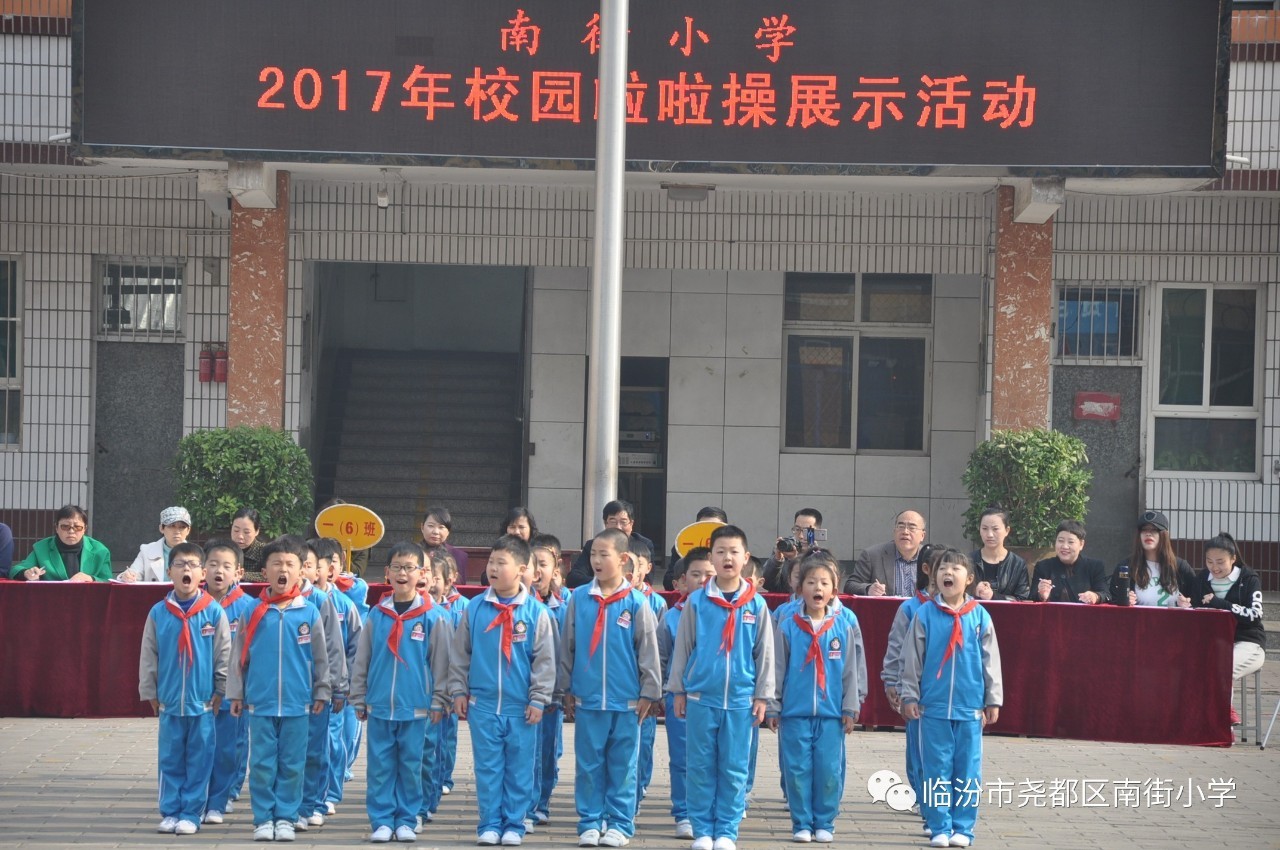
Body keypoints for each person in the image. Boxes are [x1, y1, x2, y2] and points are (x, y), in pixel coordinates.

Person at [666, 525, 775, 850]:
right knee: (699, 766)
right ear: (712, 557)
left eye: (734, 552)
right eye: (720, 551)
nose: (727, 557)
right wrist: (679, 691)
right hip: (701, 697)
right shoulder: (697, 602)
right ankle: (702, 829)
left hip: (741, 702)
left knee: (733, 767)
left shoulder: (755, 605)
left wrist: (762, 695)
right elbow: (683, 648)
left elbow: (765, 653)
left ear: (745, 558)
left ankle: (726, 830)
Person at [446, 535, 555, 847]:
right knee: (488, 769)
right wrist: (458, 691)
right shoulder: (476, 608)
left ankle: (514, 824)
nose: (493, 568)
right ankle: (489, 824)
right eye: (491, 562)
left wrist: (538, 698)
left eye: (500, 563)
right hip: (483, 705)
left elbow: (544, 661)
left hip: (521, 708)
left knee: (520, 770)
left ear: (521, 569)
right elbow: (460, 654)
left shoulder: (536, 612)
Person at [557, 529, 661, 847]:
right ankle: (590, 820)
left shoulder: (636, 602)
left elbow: (648, 650)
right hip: (588, 698)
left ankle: (619, 822)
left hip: (627, 700)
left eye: (605, 554)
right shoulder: (579, 599)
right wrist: (566, 689)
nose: (598, 561)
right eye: (593, 555)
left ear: (623, 559)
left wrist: (650, 692)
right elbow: (568, 646)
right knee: (588, 763)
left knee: (623, 764)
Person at [226, 536, 332, 843]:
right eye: (276, 564)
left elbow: (321, 658)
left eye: (290, 564)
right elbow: (238, 657)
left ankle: (286, 817)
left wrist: (322, 691)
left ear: (301, 572)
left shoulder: (309, 612)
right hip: (260, 703)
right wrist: (236, 692)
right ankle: (263, 819)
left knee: (293, 764)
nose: (283, 569)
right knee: (261, 764)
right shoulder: (253, 611)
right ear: (265, 571)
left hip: (299, 705)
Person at [349, 542, 452, 844]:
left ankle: (408, 817)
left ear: (422, 574)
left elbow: (441, 664)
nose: (403, 573)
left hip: (417, 707)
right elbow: (362, 659)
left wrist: (439, 700)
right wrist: (359, 696)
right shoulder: (376, 615)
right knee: (380, 767)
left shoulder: (433, 617)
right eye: (397, 567)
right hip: (380, 705)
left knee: (411, 765)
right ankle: (381, 819)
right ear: (387, 574)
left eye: (409, 568)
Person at [900, 551, 1003, 849]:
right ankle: (939, 826)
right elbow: (912, 660)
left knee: (968, 769)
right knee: (936, 769)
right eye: (943, 568)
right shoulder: (924, 614)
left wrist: (992, 699)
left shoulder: (980, 615)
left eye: (956, 568)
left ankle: (963, 827)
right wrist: (910, 695)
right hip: (931, 709)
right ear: (935, 577)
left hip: (970, 709)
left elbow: (990, 661)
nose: (949, 572)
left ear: (968, 579)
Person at [767, 554, 866, 845]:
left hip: (832, 713)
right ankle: (801, 822)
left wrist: (851, 706)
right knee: (796, 770)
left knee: (828, 769)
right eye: (810, 582)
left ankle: (824, 821)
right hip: (794, 713)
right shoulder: (787, 625)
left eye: (824, 582)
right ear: (800, 589)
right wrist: (774, 705)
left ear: (834, 590)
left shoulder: (842, 626)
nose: (817, 587)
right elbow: (777, 668)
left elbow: (851, 671)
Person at [138, 541, 231, 836]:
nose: (186, 570)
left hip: (203, 703)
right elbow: (148, 654)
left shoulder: (213, 612)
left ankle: (191, 812)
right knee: (170, 759)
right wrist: (149, 692)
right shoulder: (158, 612)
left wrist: (221, 689)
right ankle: (170, 810)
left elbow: (223, 654)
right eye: (180, 565)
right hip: (168, 702)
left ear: (202, 572)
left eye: (192, 565)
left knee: (200, 759)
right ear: (170, 571)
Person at [879, 547, 937, 836]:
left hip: (950, 697)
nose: (948, 574)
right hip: (917, 692)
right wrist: (892, 681)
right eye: (941, 567)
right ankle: (926, 802)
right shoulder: (911, 608)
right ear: (927, 570)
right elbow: (896, 647)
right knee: (918, 751)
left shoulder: (969, 611)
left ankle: (939, 808)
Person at [659, 547, 713, 840]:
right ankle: (684, 813)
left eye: (710, 574)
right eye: (696, 574)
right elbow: (662, 658)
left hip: (715, 698)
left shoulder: (727, 611)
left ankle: (709, 811)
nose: (703, 580)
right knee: (681, 758)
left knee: (712, 758)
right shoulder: (670, 617)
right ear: (681, 581)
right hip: (680, 698)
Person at [296, 540, 350, 831]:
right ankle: (290, 806)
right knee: (288, 753)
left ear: (318, 570)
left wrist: (338, 686)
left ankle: (315, 802)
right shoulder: (269, 603)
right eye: (294, 564)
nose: (300, 570)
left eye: (306, 565)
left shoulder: (321, 600)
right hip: (286, 694)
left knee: (318, 750)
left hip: (318, 691)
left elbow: (335, 647)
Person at [309, 537, 364, 819]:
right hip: (306, 688)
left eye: (314, 565)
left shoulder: (343, 604)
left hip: (336, 687)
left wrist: (351, 682)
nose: (310, 571)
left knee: (333, 741)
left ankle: (330, 793)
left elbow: (356, 645)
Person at [203, 539, 256, 826]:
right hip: (200, 690)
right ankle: (201, 796)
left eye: (226, 566)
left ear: (239, 572)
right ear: (202, 570)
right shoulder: (193, 604)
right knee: (201, 745)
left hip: (233, 690)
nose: (218, 572)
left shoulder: (247, 607)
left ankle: (226, 794)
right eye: (212, 565)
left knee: (231, 746)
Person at [1192, 532, 1265, 726]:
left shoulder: (1248, 579)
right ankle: (1212, 719)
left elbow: (1255, 615)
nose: (1214, 567)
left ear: (1233, 559)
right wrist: (1185, 604)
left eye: (1220, 562)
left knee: (1223, 667)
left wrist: (1220, 603)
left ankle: (1223, 723)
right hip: (1214, 643)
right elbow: (1193, 609)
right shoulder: (1202, 579)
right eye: (1209, 561)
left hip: (1248, 643)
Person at [627, 537, 668, 813]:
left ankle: (640, 786)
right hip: (620, 686)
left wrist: (656, 688)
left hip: (645, 686)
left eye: (637, 564)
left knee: (645, 740)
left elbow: (659, 651)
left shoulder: (656, 604)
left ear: (646, 568)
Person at [529, 533, 567, 826]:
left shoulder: (563, 607)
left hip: (551, 695)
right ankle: (524, 805)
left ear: (556, 571)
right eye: (533, 564)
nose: (537, 570)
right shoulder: (518, 607)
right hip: (519, 694)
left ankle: (542, 800)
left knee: (546, 751)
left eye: (543, 564)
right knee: (523, 752)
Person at [1109, 511, 1195, 608]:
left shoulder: (1181, 566)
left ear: (1164, 535)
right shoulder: (1126, 566)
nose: (1148, 534)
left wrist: (1187, 603)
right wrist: (1124, 600)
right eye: (1144, 530)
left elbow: (1196, 598)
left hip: (1174, 622)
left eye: (1154, 530)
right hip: (1139, 622)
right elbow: (1112, 599)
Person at [10, 504, 111, 582]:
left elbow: (108, 581)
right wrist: (26, 572)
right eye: (65, 526)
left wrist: (91, 578)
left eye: (77, 527)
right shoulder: (42, 548)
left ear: (85, 528)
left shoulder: (100, 551)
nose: (71, 531)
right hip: (51, 600)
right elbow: (16, 569)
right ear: (56, 528)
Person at [566, 500, 655, 588]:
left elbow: (646, 580)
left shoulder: (643, 545)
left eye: (623, 522)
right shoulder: (593, 545)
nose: (618, 527)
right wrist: (606, 583)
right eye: (613, 521)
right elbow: (573, 578)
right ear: (605, 524)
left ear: (631, 524)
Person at [844, 510, 927, 597]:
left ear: (922, 535)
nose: (905, 532)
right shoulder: (872, 555)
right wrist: (868, 589)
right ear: (894, 531)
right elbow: (850, 586)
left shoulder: (931, 558)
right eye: (901, 526)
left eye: (912, 528)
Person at [1032, 520, 1110, 604]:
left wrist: (1095, 596)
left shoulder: (1094, 567)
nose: (1065, 546)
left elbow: (1106, 594)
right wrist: (1041, 595)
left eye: (1071, 542)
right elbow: (1031, 597)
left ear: (1081, 544)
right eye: (1060, 541)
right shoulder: (1043, 566)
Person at [967, 507, 1030, 602]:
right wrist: (974, 592)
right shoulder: (968, 561)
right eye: (984, 528)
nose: (989, 534)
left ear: (1007, 530)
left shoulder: (1017, 564)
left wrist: (993, 596)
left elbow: (1023, 599)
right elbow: (956, 594)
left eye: (995, 529)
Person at [118, 506, 194, 583]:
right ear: (161, 528)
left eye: (182, 527)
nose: (177, 531)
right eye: (172, 526)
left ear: (188, 530)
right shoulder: (146, 551)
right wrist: (127, 576)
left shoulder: (195, 554)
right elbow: (134, 573)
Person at [663, 506, 728, 591]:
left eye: (714, 529)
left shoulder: (732, 552)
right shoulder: (682, 547)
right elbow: (668, 583)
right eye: (704, 527)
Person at [762, 508, 823, 594]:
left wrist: (794, 560)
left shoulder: (821, 557)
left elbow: (807, 589)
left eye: (807, 531)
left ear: (818, 533)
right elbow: (768, 585)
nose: (801, 536)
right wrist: (777, 560)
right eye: (797, 529)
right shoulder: (785, 548)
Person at [421, 507, 471, 585]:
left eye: (441, 527)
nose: (435, 532)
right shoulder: (411, 553)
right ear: (422, 527)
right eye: (431, 526)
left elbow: (460, 587)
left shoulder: (459, 556)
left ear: (448, 531)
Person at [230, 508, 267, 582]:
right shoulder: (223, 550)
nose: (240, 536)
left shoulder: (265, 551)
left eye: (246, 532)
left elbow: (272, 575)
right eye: (236, 530)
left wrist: (243, 575)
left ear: (256, 531)